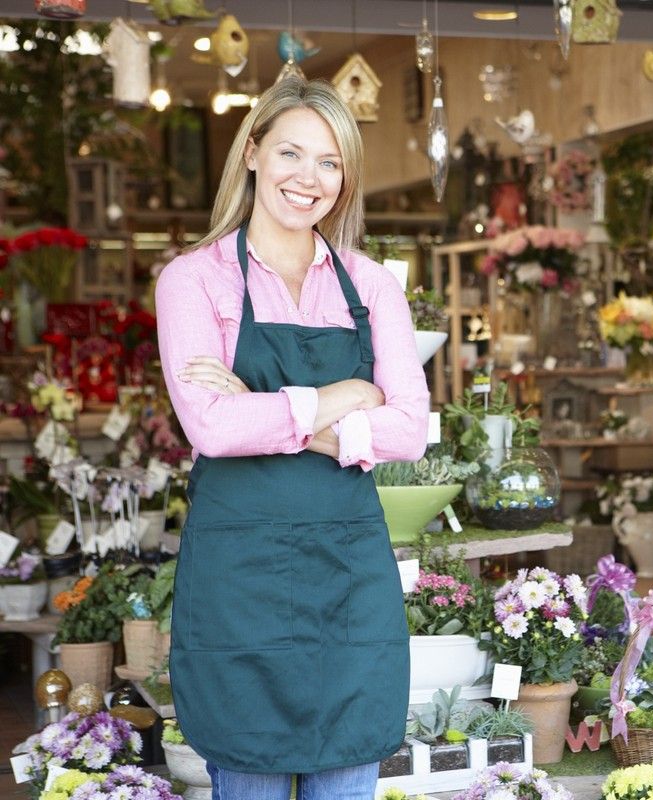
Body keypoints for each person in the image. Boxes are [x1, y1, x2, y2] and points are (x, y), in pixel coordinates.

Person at [156, 76, 429, 799]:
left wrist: (272, 412)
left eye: (330, 162)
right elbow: (212, 427)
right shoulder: (193, 281)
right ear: (251, 154)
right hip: (240, 585)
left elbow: (410, 428)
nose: (309, 179)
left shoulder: (370, 286)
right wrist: (343, 398)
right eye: (290, 153)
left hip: (349, 582)